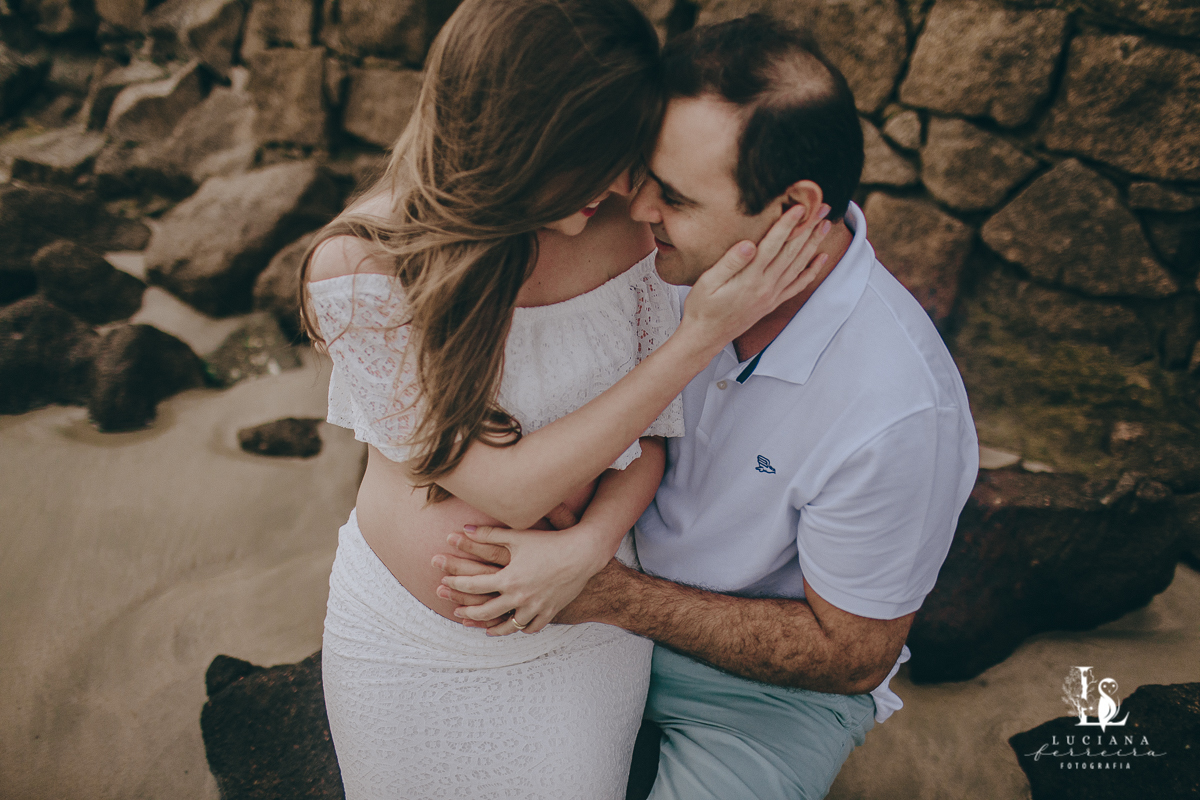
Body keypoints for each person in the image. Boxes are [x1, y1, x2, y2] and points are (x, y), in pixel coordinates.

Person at [436, 15, 980, 800]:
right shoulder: (650, 248)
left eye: (676, 196)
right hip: (578, 600)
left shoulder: (898, 409)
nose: (637, 207)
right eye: (642, 173)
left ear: (795, 208)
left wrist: (610, 594)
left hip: (762, 698)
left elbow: (852, 653)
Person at [298, 2, 830, 798]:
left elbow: (650, 438)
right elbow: (506, 490)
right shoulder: (365, 263)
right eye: (597, 158)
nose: (623, 186)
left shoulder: (628, 233)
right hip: (402, 644)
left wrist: (588, 549)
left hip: (578, 630)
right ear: (520, 142)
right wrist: (700, 337)